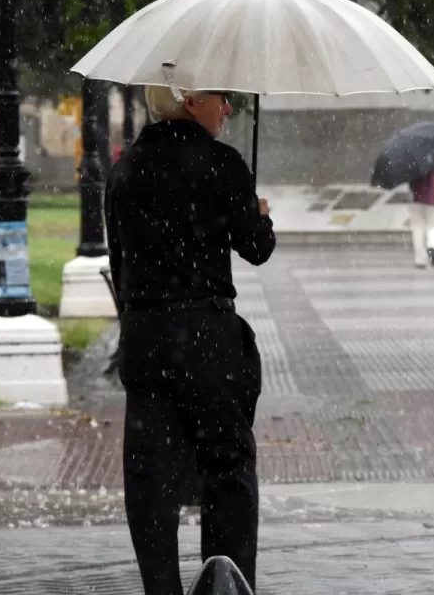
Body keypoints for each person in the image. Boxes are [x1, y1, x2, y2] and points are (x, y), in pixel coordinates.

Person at [106, 84, 275, 595]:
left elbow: (121, 263)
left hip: (147, 341)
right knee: (227, 472)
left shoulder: (126, 169)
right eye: (219, 96)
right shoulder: (221, 162)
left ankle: (161, 588)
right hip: (208, 342)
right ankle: (226, 581)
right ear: (186, 97)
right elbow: (256, 248)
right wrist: (260, 215)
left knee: (151, 483)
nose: (227, 107)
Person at [408, 163, 434, 268]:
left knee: (417, 227)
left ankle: (420, 259)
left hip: (416, 197)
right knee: (432, 226)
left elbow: (410, 180)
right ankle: (432, 246)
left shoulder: (412, 161)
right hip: (433, 197)